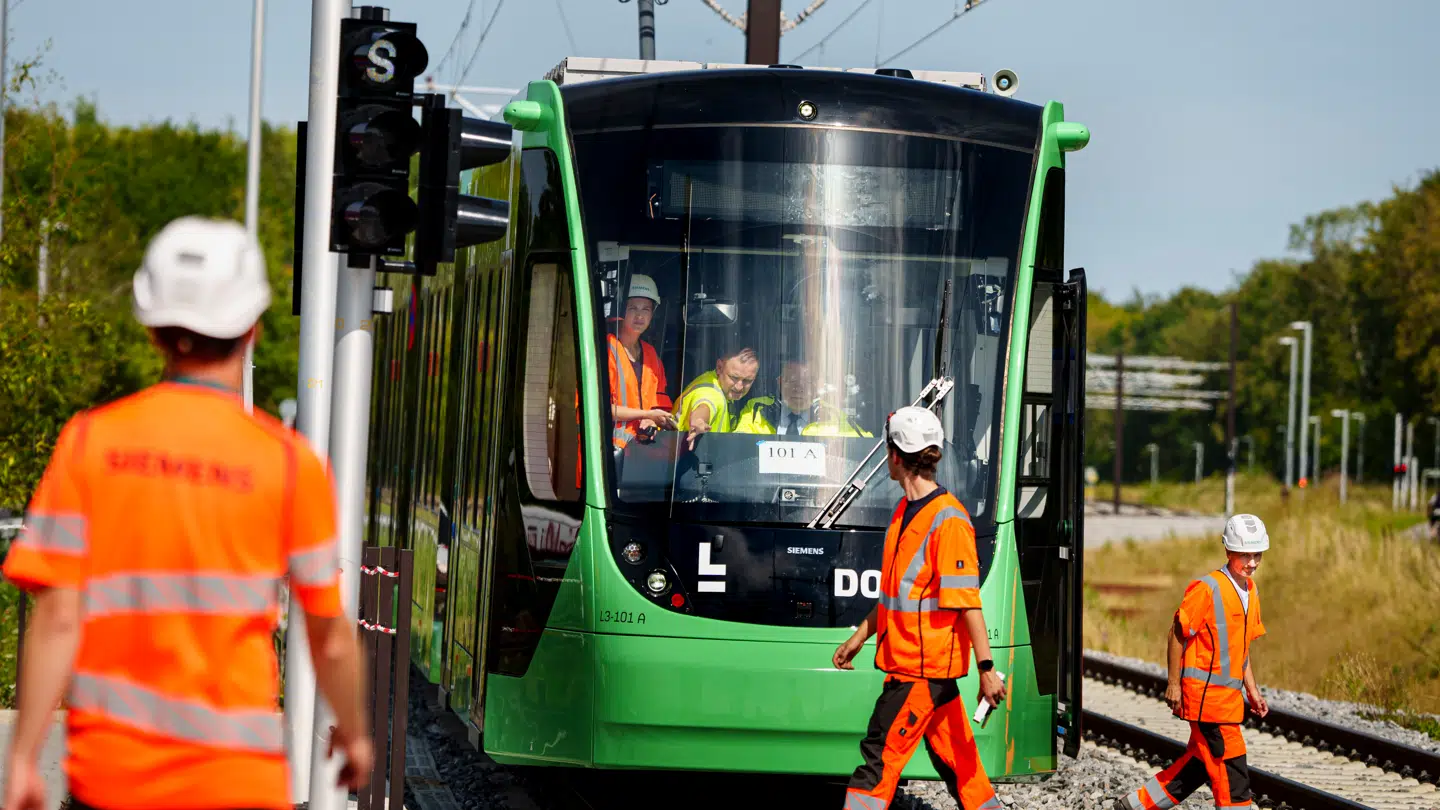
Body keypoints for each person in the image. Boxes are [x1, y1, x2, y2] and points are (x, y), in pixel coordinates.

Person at [0, 216, 372, 810]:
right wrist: (354, 733)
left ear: (153, 330)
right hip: (236, 784)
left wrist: (23, 758)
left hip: (113, 780)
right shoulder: (289, 464)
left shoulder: (91, 443)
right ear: (251, 328)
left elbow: (57, 618)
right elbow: (328, 634)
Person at [832, 406, 1006, 810]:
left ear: (895, 456)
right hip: (914, 667)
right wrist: (859, 637)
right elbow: (896, 596)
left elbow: (968, 603)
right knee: (962, 767)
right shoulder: (903, 513)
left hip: (921, 673)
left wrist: (986, 670)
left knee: (878, 762)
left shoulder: (949, 521)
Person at [1114, 514, 1270, 810]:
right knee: (1232, 772)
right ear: (1229, 551)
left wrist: (1253, 690)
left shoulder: (1251, 592)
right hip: (1206, 701)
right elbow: (1177, 633)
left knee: (1199, 765)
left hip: (1228, 701)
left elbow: (1241, 648)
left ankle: (1134, 806)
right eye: (1245, 555)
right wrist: (1173, 684)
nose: (1251, 563)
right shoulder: (1208, 589)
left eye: (1257, 555)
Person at [607, 273, 675, 448]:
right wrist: (646, 415)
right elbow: (599, 408)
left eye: (646, 309)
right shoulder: (605, 349)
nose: (639, 316)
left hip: (639, 453)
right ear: (620, 311)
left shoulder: (651, 355)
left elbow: (660, 407)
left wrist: (653, 420)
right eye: (632, 308)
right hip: (604, 451)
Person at [736, 360, 871, 437]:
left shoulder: (833, 415)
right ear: (780, 382)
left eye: (807, 382)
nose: (799, 388)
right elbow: (740, 444)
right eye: (792, 380)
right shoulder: (757, 409)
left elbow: (864, 446)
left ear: (817, 386)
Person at [673, 346, 761, 449]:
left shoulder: (717, 383)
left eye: (747, 380)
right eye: (734, 377)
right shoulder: (711, 391)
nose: (739, 386)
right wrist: (699, 420)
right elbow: (705, 404)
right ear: (719, 367)